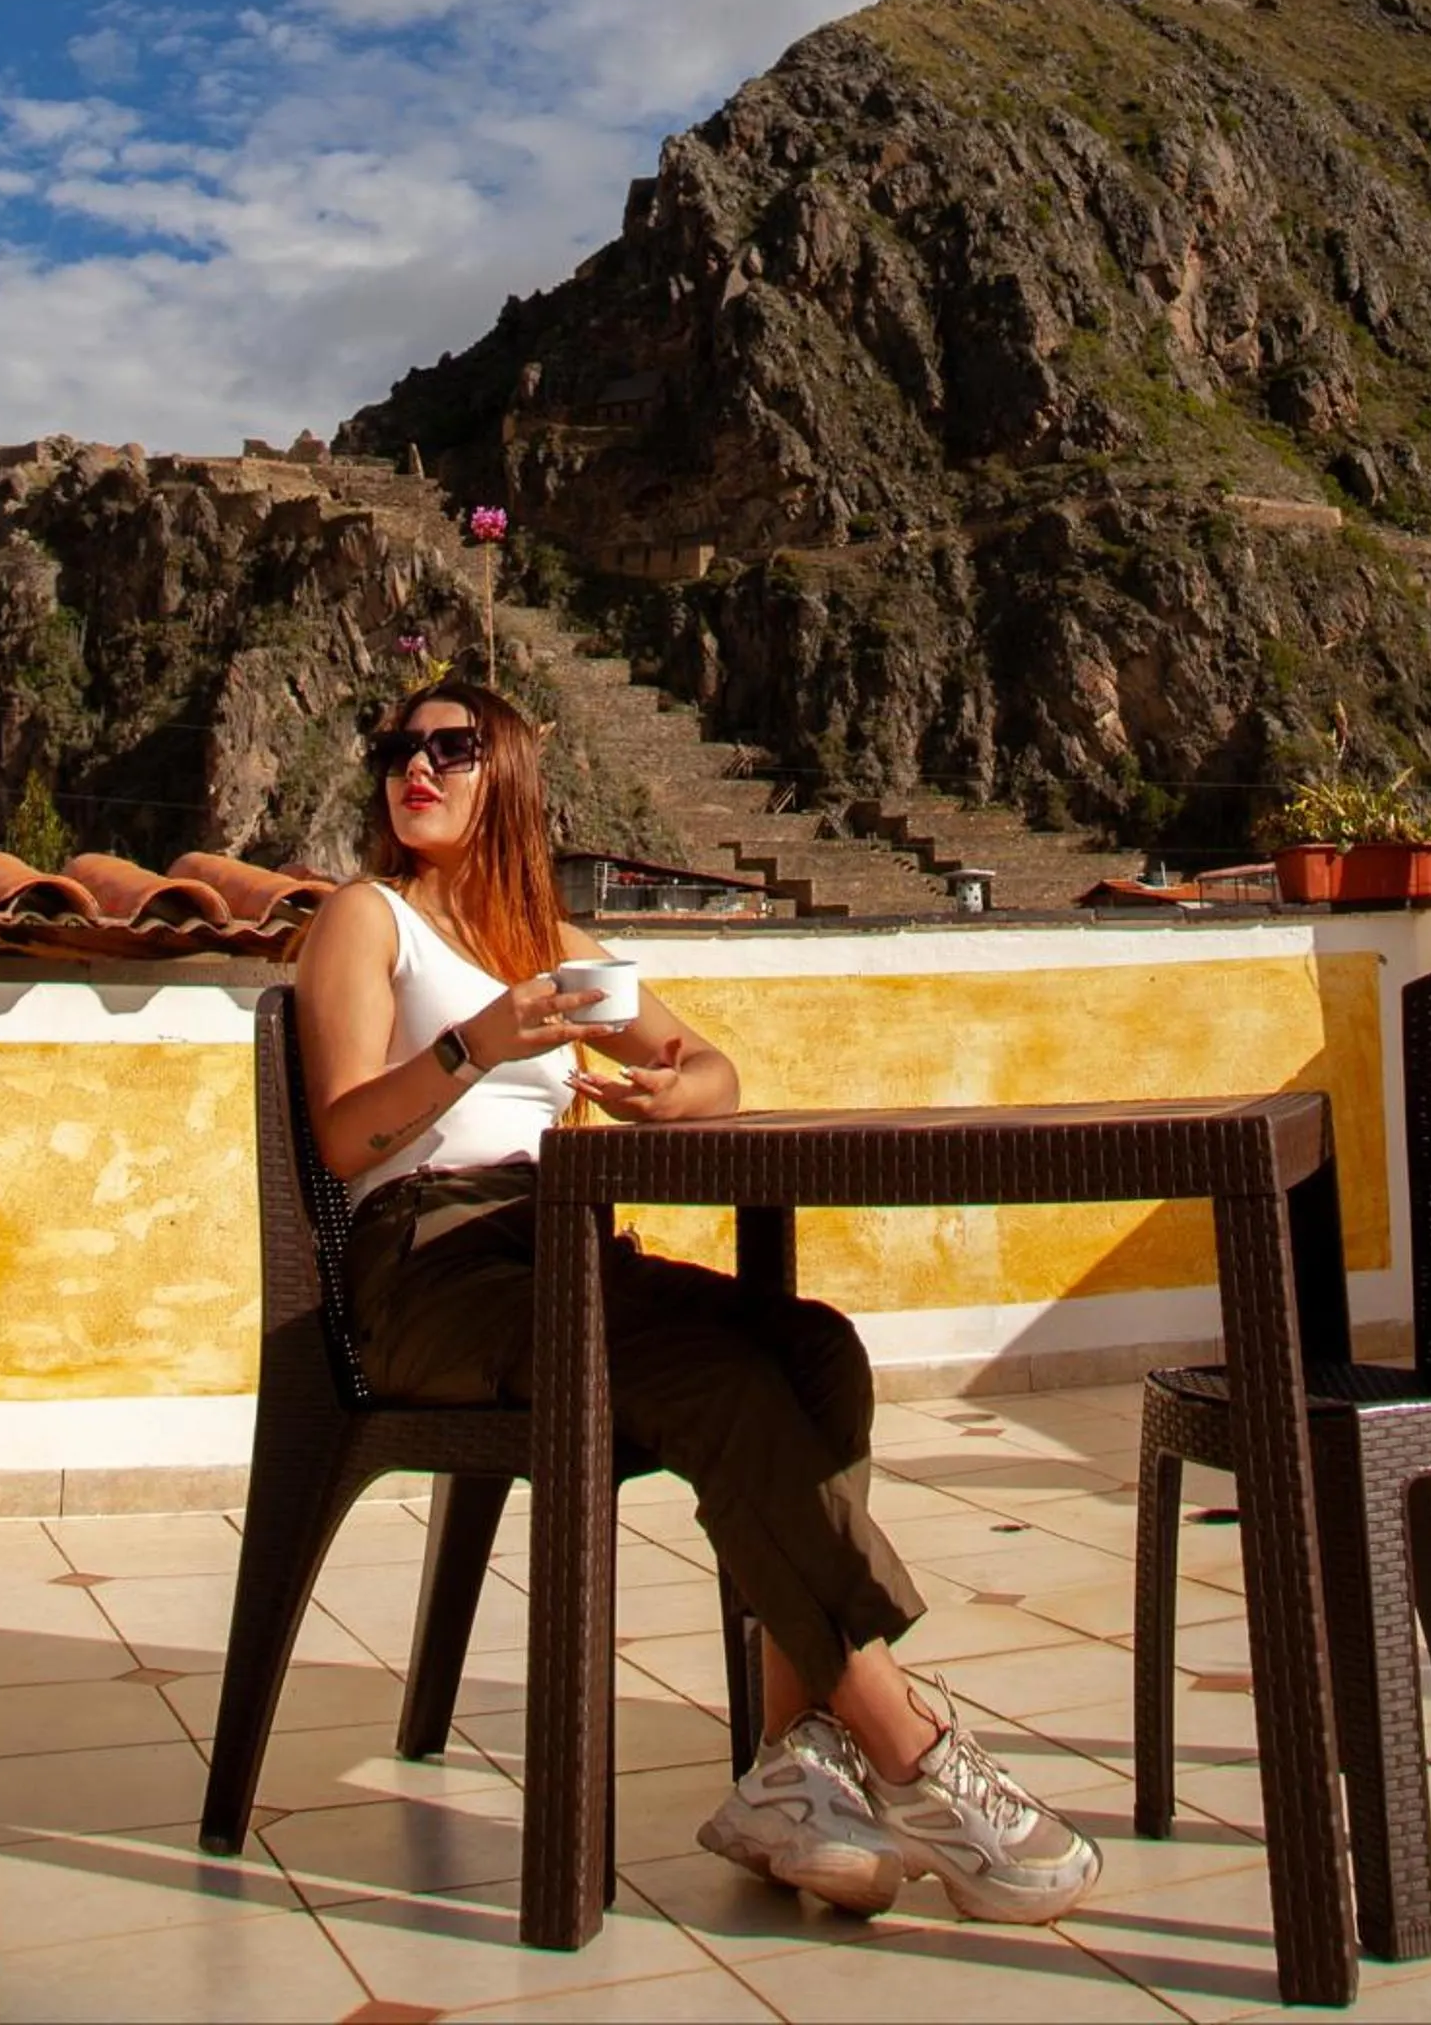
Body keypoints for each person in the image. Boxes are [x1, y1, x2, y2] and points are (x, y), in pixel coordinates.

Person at [296, 678, 1102, 1924]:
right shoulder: (369, 919)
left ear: (507, 774)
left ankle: (794, 1768)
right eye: (399, 747)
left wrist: (680, 1095)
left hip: (562, 1248)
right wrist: (473, 1047)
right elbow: (346, 1137)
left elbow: (710, 1064)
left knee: (816, 1349)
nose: (416, 767)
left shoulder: (550, 946)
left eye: (451, 748)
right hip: (430, 1272)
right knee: (718, 1380)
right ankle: (912, 1748)